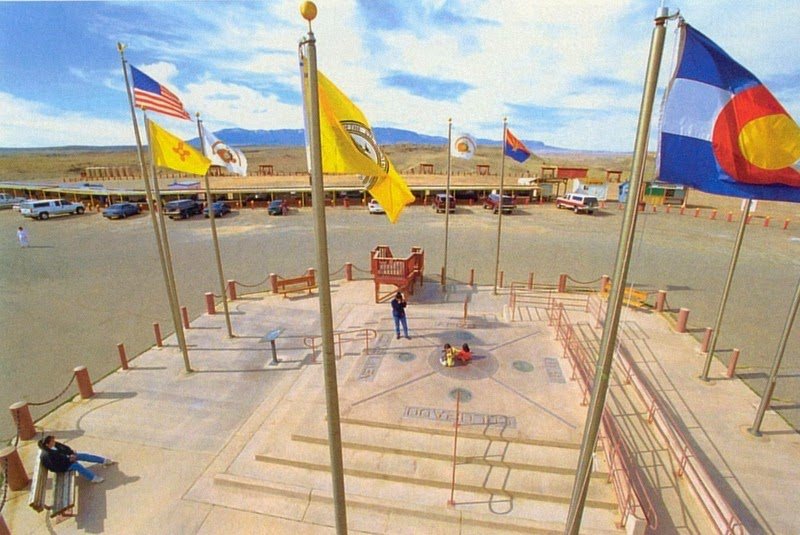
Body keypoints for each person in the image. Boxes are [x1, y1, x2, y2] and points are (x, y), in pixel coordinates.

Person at [38, 435, 116, 484]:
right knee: (77, 466)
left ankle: (104, 460)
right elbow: (57, 464)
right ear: (47, 445)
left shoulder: (54, 445)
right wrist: (69, 460)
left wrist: (71, 453)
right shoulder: (48, 455)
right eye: (52, 441)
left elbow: (64, 448)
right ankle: (93, 478)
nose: (54, 441)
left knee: (82, 455)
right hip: (61, 467)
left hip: (65, 460)